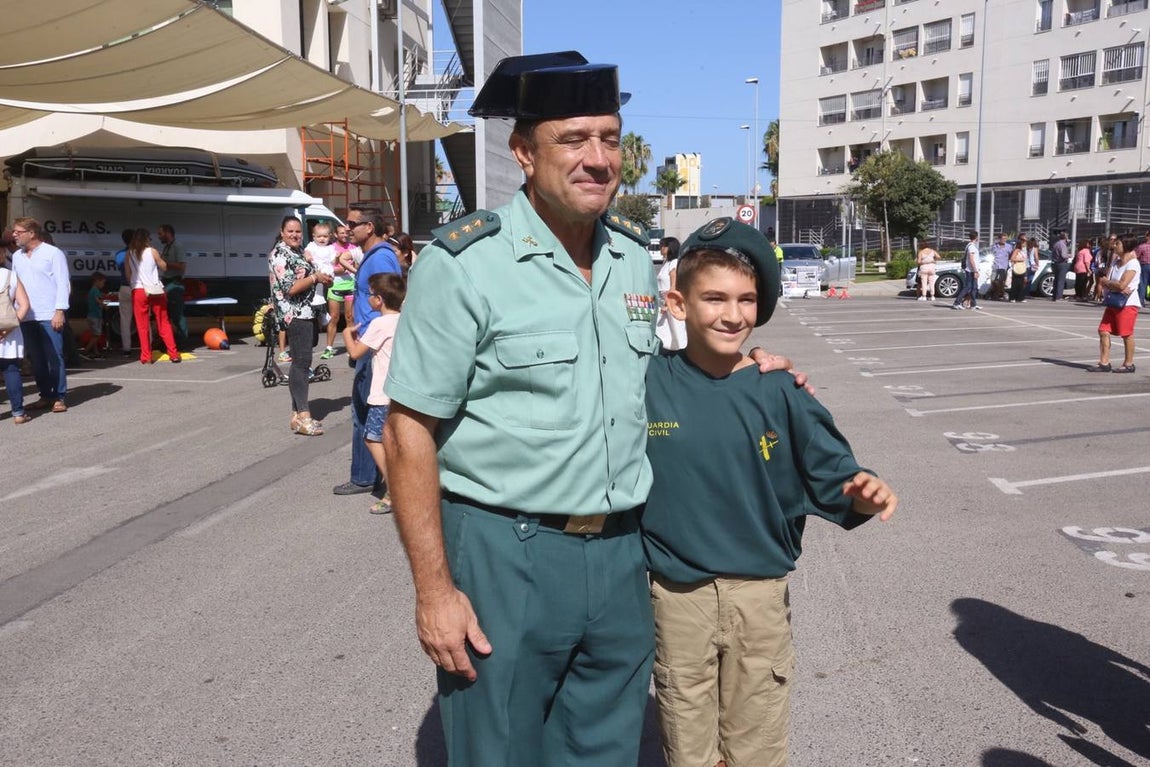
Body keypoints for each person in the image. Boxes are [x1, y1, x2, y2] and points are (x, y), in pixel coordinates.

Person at [380, 51, 798, 767]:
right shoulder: (465, 264)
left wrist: (745, 367)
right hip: (505, 554)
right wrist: (435, 590)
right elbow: (407, 429)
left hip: (618, 556)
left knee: (603, 750)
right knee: (499, 750)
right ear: (524, 153)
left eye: (609, 137)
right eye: (574, 139)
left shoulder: (634, 259)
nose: (599, 158)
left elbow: (657, 375)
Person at [643, 217, 897, 767]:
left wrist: (862, 488)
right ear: (678, 304)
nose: (732, 315)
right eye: (713, 298)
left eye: (747, 300)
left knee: (755, 746)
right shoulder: (646, 381)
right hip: (675, 597)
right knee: (687, 745)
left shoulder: (778, 386)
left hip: (758, 594)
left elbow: (834, 472)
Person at [330, 205, 402, 496]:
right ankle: (371, 476)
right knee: (368, 416)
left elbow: (387, 301)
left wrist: (366, 341)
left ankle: (366, 478)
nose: (347, 228)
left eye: (352, 223)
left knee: (365, 415)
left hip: (373, 347)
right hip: (371, 342)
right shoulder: (375, 255)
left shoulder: (381, 257)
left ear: (369, 227)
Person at [341, 272, 405, 514]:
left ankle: (393, 490)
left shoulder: (380, 323)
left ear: (379, 300)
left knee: (372, 437)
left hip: (382, 394)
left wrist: (348, 334)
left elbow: (356, 353)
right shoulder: (404, 320)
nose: (367, 298)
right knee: (395, 443)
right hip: (400, 392)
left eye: (369, 294)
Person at [268, 216, 332, 435]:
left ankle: (296, 415)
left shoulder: (297, 251)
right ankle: (304, 414)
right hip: (294, 315)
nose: (295, 235)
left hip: (308, 312)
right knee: (302, 363)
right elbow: (290, 288)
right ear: (282, 232)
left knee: (303, 362)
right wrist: (315, 278)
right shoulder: (279, 254)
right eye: (290, 231)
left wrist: (322, 277)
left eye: (298, 231)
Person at [11, 217, 71, 412]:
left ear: (32, 233)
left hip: (49, 313)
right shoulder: (17, 257)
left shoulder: (53, 253)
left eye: (18, 232)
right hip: (27, 315)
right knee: (36, 359)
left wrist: (59, 311)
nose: (14, 235)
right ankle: (45, 395)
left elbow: (63, 283)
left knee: (55, 356)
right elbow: (14, 285)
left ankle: (59, 396)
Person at [125, 228, 181, 365]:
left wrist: (134, 285)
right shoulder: (152, 251)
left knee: (142, 325)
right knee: (163, 322)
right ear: (146, 239)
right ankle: (173, 354)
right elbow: (164, 267)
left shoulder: (129, 254)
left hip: (138, 290)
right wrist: (160, 258)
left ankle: (146, 356)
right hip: (155, 290)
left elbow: (128, 274)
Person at [1088, 236, 1141, 374]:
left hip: (1127, 304)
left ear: (1126, 246)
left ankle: (1129, 364)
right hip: (1113, 301)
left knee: (1126, 334)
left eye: (1118, 244)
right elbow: (1108, 281)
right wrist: (1113, 284)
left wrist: (1110, 283)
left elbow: (1121, 284)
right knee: (1103, 330)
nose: (1114, 246)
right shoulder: (1116, 262)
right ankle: (1104, 363)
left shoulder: (1133, 264)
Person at [0, 262, 32, 423]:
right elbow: (24, 305)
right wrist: (9, 327)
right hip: (8, 333)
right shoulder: (9, 275)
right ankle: (18, 413)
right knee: (11, 371)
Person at [304, 222, 340, 360]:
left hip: (326, 272)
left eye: (325, 236)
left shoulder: (331, 248)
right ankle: (323, 314)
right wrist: (308, 256)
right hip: (315, 271)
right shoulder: (312, 246)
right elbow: (306, 252)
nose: (322, 239)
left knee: (323, 294)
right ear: (313, 236)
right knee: (317, 294)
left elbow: (333, 261)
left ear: (329, 237)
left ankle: (323, 313)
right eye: (319, 236)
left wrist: (336, 258)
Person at [327, 223, 361, 346]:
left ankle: (351, 346)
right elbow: (328, 268)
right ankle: (329, 347)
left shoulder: (353, 248)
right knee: (334, 317)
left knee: (349, 317)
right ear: (335, 234)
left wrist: (347, 268)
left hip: (350, 286)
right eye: (341, 233)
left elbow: (357, 266)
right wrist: (340, 269)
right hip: (335, 287)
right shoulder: (330, 248)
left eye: (346, 233)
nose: (344, 235)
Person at [156, 225, 187, 349]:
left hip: (175, 283)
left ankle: (182, 342)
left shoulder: (177, 246)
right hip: (166, 281)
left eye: (160, 234)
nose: (159, 237)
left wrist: (165, 264)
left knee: (177, 314)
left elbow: (181, 266)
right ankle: (169, 342)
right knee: (167, 314)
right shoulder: (166, 247)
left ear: (168, 233)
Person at [655, 236, 687, 349]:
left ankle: (679, 351)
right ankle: (668, 350)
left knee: (675, 328)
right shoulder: (666, 262)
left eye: (663, 245)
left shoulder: (674, 262)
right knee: (665, 330)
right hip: (662, 300)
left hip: (670, 301)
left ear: (670, 247)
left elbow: (674, 283)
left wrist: (667, 302)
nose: (661, 248)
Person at [113, 228, 135, 357]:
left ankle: (126, 348)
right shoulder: (138, 253)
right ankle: (147, 345)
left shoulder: (119, 254)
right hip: (137, 287)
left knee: (125, 320)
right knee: (143, 319)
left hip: (124, 287)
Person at [952, 229, 982, 310]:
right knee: (968, 287)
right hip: (970, 270)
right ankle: (957, 303)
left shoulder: (970, 246)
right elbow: (972, 260)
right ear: (976, 237)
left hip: (972, 270)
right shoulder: (971, 247)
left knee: (974, 288)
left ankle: (973, 304)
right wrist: (975, 270)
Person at [82, 272, 108, 358]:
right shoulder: (95, 291)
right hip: (95, 316)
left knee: (94, 334)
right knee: (97, 335)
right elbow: (98, 300)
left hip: (91, 316)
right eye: (103, 282)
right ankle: (86, 350)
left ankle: (95, 351)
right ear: (97, 281)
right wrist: (104, 306)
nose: (103, 285)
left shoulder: (92, 291)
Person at [989, 232, 1011, 300]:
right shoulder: (994, 246)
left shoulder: (1009, 247)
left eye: (1005, 239)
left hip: (1004, 267)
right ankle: (999, 293)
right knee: (993, 280)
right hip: (995, 266)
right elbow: (990, 254)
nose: (1004, 240)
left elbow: (1011, 255)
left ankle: (999, 295)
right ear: (999, 239)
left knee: (1001, 282)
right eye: (1003, 238)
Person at [1050, 231, 1070, 301]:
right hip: (1061, 263)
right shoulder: (1062, 245)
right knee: (1061, 281)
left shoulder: (1056, 244)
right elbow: (1063, 255)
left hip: (1055, 264)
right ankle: (1058, 296)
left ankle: (1055, 296)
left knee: (1056, 280)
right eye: (1067, 236)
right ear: (1065, 237)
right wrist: (1068, 256)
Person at [1008, 239, 1029, 303]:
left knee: (1021, 283)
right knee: (1015, 283)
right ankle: (1012, 297)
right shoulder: (1017, 250)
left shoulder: (1023, 251)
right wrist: (1020, 260)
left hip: (1022, 267)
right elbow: (1012, 258)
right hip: (1017, 267)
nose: (1025, 244)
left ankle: (1020, 297)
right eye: (1024, 243)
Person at [1135, 229, 1150, 307]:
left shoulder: (1142, 246)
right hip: (1145, 266)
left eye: (1146, 235)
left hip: (1144, 266)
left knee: (1142, 284)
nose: (1145, 236)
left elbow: (1136, 256)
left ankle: (1141, 301)